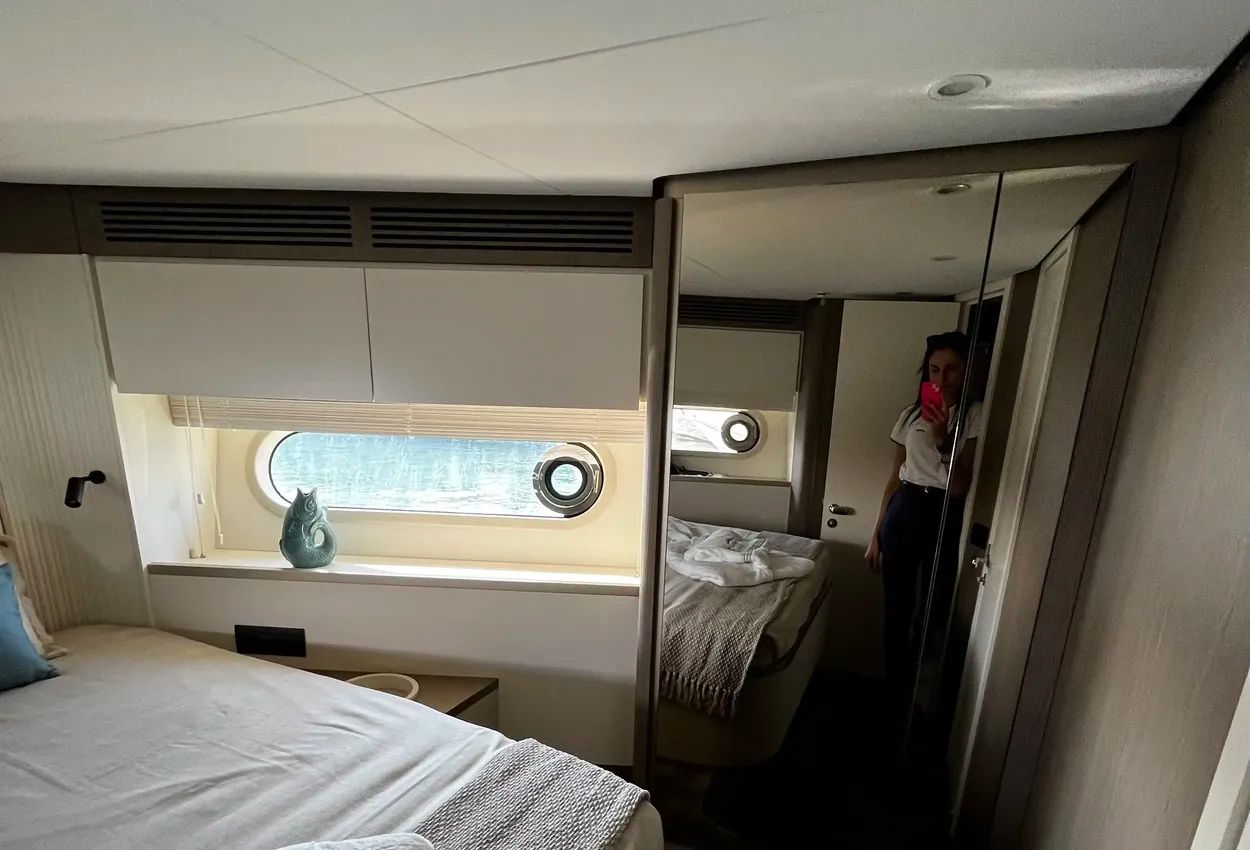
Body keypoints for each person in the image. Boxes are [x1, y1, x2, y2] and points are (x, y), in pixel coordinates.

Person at [864, 331, 982, 701]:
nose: (941, 379)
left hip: (943, 511)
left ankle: (922, 691)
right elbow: (893, 478)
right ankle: (894, 689)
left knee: (933, 607)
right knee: (896, 607)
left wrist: (943, 438)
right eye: (934, 370)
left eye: (951, 369)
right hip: (904, 508)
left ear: (966, 371)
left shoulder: (976, 415)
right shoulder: (911, 414)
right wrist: (875, 534)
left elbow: (960, 486)